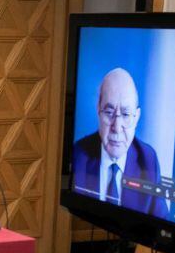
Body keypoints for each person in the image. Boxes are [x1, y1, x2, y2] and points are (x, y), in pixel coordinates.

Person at [71, 67, 167, 217]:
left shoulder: (148, 159)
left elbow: (161, 220)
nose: (116, 127)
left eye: (126, 114)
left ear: (136, 117)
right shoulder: (78, 154)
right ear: (98, 110)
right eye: (109, 113)